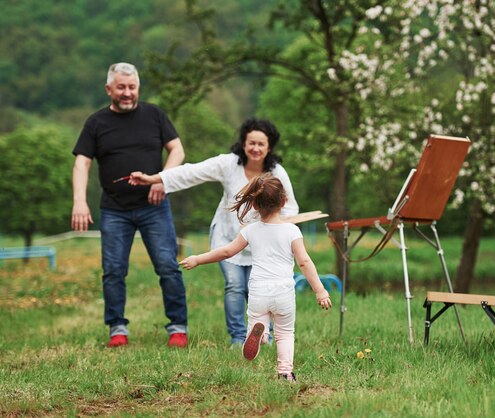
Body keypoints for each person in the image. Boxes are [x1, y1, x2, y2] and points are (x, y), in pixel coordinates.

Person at [128, 118, 298, 346]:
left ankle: (261, 336)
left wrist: (278, 228)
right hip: (228, 238)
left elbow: (290, 207)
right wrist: (154, 179)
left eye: (261, 144)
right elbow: (192, 172)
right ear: (243, 143)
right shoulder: (228, 164)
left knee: (259, 288)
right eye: (251, 143)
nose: (255, 148)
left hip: (261, 242)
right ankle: (238, 337)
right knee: (234, 286)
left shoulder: (276, 172)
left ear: (269, 147)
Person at [71, 62, 188, 348]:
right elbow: (82, 162)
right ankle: (117, 329)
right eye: (121, 87)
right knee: (113, 270)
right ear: (109, 89)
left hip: (154, 206)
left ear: (138, 88)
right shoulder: (96, 123)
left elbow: (177, 150)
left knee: (167, 266)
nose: (127, 93)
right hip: (114, 208)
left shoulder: (154, 115)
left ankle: (178, 328)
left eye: (132, 87)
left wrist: (162, 180)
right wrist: (79, 201)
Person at [178, 173, 332, 381]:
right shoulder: (292, 231)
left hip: (259, 290)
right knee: (285, 334)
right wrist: (320, 290)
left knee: (258, 320)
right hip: (283, 292)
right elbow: (304, 262)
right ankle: (285, 373)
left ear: (255, 206)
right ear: (284, 202)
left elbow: (226, 252)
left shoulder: (250, 231)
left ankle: (259, 336)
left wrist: (198, 258)